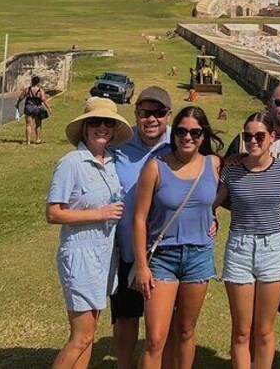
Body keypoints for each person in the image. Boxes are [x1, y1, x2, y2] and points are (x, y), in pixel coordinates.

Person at [225, 83, 280, 369]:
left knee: (268, 327)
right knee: (242, 330)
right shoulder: (233, 167)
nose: (253, 140)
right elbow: (210, 200)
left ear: (270, 137)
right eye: (248, 136)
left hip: (276, 246)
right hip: (241, 244)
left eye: (259, 136)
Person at [132, 106, 223, 369]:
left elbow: (222, 195)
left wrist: (212, 216)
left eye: (195, 132)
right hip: (163, 259)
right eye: (182, 131)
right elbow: (140, 218)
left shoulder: (214, 164)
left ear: (203, 136)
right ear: (174, 134)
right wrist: (141, 265)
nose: (187, 137)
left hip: (199, 256)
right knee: (155, 338)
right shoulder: (156, 167)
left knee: (185, 331)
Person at [45, 97, 133, 369]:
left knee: (89, 335)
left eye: (108, 122)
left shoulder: (110, 163)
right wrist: (100, 213)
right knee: (81, 337)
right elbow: (53, 213)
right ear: (85, 127)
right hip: (80, 254)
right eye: (95, 122)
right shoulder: (71, 163)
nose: (102, 127)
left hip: (104, 256)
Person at [112, 87, 173, 369]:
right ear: (136, 115)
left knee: (164, 322)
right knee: (126, 316)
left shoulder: (182, 141)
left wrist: (211, 216)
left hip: (166, 251)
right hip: (127, 247)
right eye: (144, 113)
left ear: (168, 116)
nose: (151, 119)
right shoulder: (119, 145)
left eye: (158, 113)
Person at [16, 76, 51, 145]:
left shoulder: (27, 90)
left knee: (28, 125)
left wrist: (18, 104)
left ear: (32, 81)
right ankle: (38, 139)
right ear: (38, 82)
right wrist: (49, 108)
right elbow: (43, 99)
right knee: (38, 124)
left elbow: (21, 98)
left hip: (28, 107)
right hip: (37, 108)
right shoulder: (40, 90)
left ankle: (28, 141)